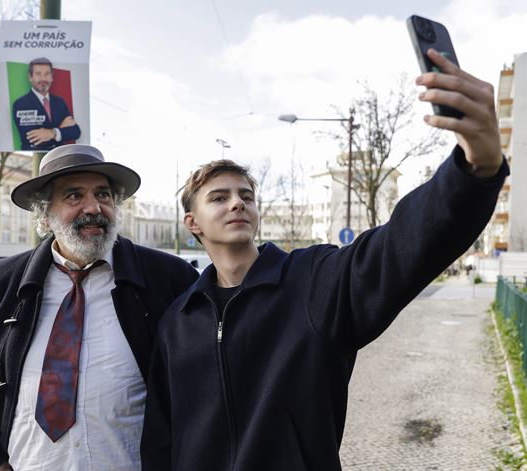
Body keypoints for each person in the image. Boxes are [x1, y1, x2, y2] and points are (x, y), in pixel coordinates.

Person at [140, 49, 508, 470]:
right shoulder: (178, 322)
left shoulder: (313, 282)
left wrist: (475, 170)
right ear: (193, 223)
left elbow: (400, 247)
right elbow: (160, 440)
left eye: (246, 195)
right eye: (219, 198)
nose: (237, 203)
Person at [0, 144, 198, 471]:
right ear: (45, 214)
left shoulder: (169, 278)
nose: (93, 207)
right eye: (73, 196)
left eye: (103, 194)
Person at [12, 57, 82, 151]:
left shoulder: (60, 102)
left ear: (52, 77)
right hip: (36, 155)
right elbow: (32, 139)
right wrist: (59, 130)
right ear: (30, 77)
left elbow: (75, 132)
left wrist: (52, 133)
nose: (43, 79)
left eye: (47, 74)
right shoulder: (21, 104)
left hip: (58, 155)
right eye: (38, 74)